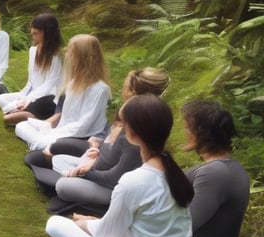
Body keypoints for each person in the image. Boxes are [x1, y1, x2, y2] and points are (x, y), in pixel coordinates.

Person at [46, 94, 197, 237]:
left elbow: (108, 236)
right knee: (103, 232)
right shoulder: (174, 173)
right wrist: (95, 220)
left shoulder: (134, 181)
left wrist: (81, 225)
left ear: (132, 133)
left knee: (55, 224)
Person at [26, 68, 171, 208]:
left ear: (133, 93)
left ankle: (68, 182)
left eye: (125, 88)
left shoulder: (138, 133)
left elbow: (115, 178)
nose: (122, 91)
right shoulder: (126, 115)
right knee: (53, 159)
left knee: (62, 186)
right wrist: (94, 153)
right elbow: (109, 146)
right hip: (96, 167)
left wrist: (86, 174)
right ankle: (66, 176)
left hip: (110, 187)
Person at [181, 100, 250, 237]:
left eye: (187, 127)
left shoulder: (215, 174)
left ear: (201, 133)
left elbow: (184, 224)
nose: (185, 132)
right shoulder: (228, 167)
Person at [14, 34, 111, 151]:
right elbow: (65, 119)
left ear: (81, 56)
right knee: (21, 126)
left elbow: (83, 126)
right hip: (61, 131)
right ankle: (41, 144)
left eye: (70, 51)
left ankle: (41, 144)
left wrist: (53, 133)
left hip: (79, 136)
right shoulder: (73, 83)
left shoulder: (100, 89)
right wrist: (50, 131)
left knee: (44, 139)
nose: (67, 54)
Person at [0, 13, 63, 124]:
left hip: (49, 98)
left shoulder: (57, 56)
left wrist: (30, 99)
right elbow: (31, 82)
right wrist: (24, 98)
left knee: (9, 117)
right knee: (1, 98)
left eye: (36, 33)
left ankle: (34, 118)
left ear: (47, 33)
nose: (32, 34)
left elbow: (50, 84)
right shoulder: (33, 50)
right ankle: (25, 114)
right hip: (34, 95)